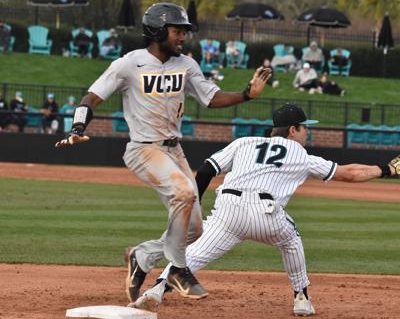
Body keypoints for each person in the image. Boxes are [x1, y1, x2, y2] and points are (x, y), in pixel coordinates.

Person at [54, 2, 270, 304]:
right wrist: (77, 129)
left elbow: (211, 98)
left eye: (184, 31)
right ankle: (179, 269)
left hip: (174, 150)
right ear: (157, 31)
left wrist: (246, 94)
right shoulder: (130, 63)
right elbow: (90, 97)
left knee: (194, 230)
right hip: (144, 149)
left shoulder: (187, 65)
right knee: (184, 193)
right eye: (176, 30)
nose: (182, 36)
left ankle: (142, 255)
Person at [132, 103, 400, 316]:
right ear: (292, 130)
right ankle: (301, 298)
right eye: (305, 127)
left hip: (228, 211)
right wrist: (386, 169)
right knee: (291, 239)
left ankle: (155, 291)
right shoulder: (301, 155)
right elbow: (349, 174)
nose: (307, 132)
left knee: (195, 253)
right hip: (266, 213)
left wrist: (195, 205)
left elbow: (206, 169)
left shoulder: (244, 143)